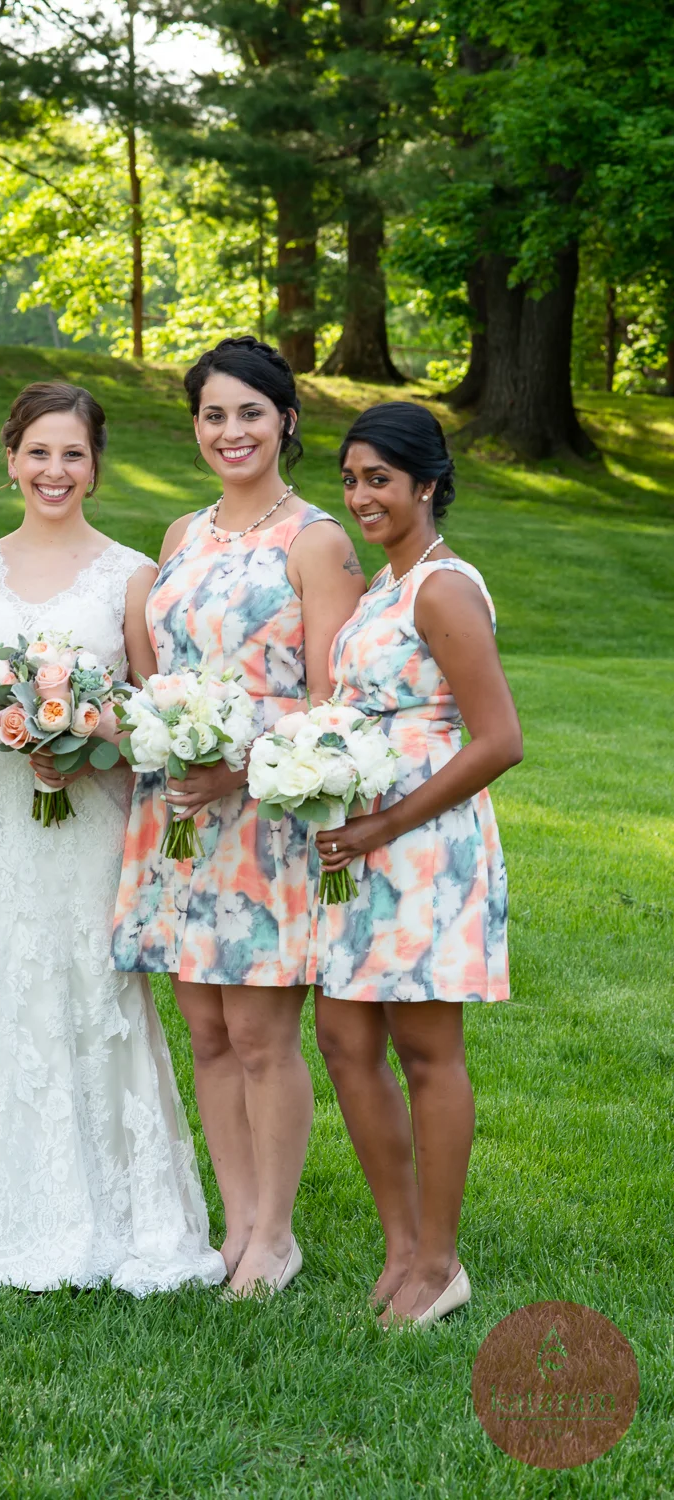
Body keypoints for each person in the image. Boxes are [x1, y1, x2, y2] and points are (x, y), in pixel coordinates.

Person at [0, 381, 225, 1296]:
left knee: (90, 993)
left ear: (95, 466)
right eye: (38, 452)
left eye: (73, 454)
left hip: (88, 825)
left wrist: (86, 740)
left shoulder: (129, 576)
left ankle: (117, 1213)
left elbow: (152, 722)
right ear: (10, 459)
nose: (54, 470)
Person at [111, 336, 365, 1295]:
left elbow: (335, 701)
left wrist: (237, 763)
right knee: (207, 1033)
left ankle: (276, 1235)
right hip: (178, 811)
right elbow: (156, 673)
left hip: (265, 814)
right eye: (213, 415)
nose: (231, 431)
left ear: (285, 421)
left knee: (260, 1036)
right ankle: (237, 1221)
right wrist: (164, 738)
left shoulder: (316, 541)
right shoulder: (181, 534)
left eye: (249, 413)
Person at [313, 401, 523, 1327]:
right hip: (364, 847)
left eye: (379, 480)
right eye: (350, 479)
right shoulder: (381, 587)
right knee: (342, 1038)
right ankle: (401, 1245)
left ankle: (439, 1263)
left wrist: (386, 823)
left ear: (427, 485)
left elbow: (500, 739)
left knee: (427, 1052)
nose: (361, 496)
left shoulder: (440, 589)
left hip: (424, 848)